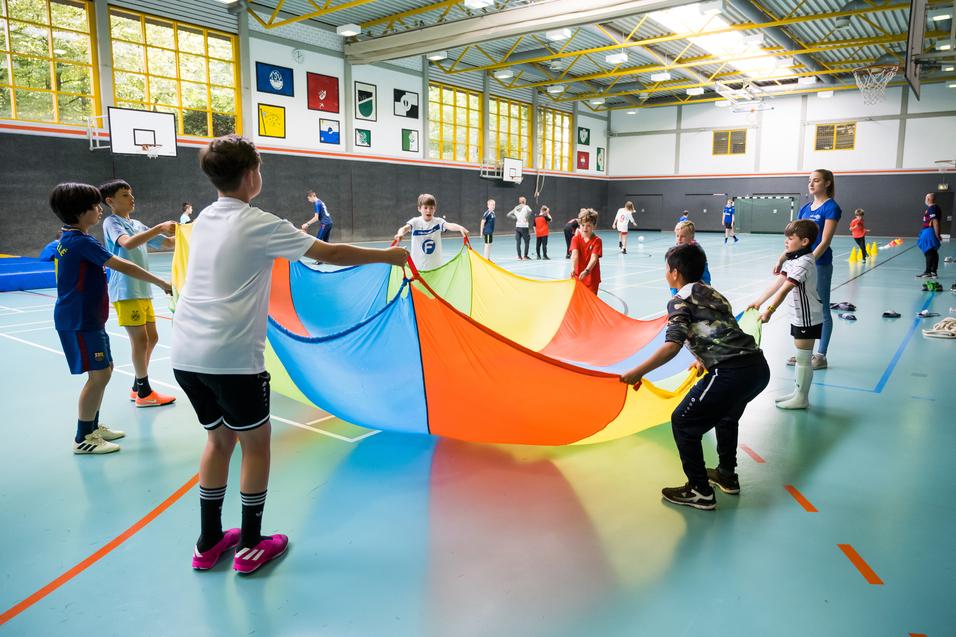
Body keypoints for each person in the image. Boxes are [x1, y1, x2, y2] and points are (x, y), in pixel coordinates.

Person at [172, 135, 408, 574]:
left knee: (218, 440)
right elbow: (330, 252)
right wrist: (389, 256)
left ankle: (208, 543)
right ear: (250, 176)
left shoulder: (204, 217)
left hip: (185, 351)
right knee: (256, 445)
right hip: (231, 358)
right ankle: (250, 545)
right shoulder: (257, 221)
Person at [620, 243, 769, 510]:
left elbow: (671, 346)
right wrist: (702, 359)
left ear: (675, 272)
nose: (665, 272)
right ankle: (726, 474)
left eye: (666, 268)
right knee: (726, 416)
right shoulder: (713, 293)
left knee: (683, 421)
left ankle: (699, 489)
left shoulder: (679, 300)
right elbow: (720, 330)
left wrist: (637, 371)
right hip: (757, 368)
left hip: (730, 371)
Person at [49, 182, 172, 455]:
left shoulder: (68, 239)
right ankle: (83, 437)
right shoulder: (81, 242)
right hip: (79, 319)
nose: (99, 210)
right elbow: (122, 263)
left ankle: (91, 426)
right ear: (80, 212)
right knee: (99, 376)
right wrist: (161, 281)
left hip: (88, 317)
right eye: (95, 206)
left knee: (103, 372)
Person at [100, 179, 178, 408]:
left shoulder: (138, 224)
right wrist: (159, 227)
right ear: (110, 201)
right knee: (141, 340)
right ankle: (144, 392)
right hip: (125, 290)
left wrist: (190, 231)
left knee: (152, 338)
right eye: (125, 195)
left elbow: (167, 244)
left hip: (142, 290)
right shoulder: (111, 222)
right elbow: (128, 244)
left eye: (131, 193)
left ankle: (137, 386)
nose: (131, 198)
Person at [749, 220, 823, 410]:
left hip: (808, 317)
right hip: (799, 315)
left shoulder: (805, 262)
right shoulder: (793, 258)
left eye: (790, 238)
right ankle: (798, 392)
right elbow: (778, 283)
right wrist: (759, 301)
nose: (786, 242)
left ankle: (802, 397)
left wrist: (770, 311)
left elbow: (785, 289)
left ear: (804, 241)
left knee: (803, 358)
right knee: (800, 357)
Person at [777, 169, 840, 370]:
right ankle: (804, 353)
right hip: (799, 264)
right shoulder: (804, 208)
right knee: (801, 308)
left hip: (819, 265)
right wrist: (782, 258)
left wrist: (809, 261)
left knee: (821, 308)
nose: (811, 184)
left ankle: (820, 355)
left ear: (827, 183)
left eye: (816, 180)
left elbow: (824, 241)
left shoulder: (831, 208)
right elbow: (794, 239)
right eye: (810, 181)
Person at [394, 194, 469, 271]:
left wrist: (460, 228)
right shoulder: (415, 222)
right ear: (419, 208)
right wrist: (400, 234)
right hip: (418, 268)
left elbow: (449, 225)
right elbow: (404, 228)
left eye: (431, 208)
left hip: (436, 267)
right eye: (425, 208)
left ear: (435, 209)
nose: (428, 210)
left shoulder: (438, 222)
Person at [671, 221, 711, 293]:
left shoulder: (698, 253)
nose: (679, 239)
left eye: (683, 236)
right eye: (677, 236)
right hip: (680, 292)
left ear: (692, 237)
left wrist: (705, 292)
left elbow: (705, 276)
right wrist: (675, 295)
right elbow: (674, 277)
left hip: (697, 291)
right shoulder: (675, 252)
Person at [569, 208, 602, 295]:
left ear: (594, 226)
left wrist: (587, 271)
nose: (585, 228)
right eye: (582, 225)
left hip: (592, 278)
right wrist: (573, 267)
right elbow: (574, 255)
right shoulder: (575, 239)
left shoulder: (597, 241)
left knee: (590, 304)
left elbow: (594, 258)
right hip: (578, 276)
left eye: (588, 225)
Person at [917, 193, 942, 279]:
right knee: (933, 252)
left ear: (928, 199)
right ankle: (933, 272)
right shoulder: (935, 208)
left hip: (929, 232)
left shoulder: (932, 208)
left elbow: (935, 221)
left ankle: (928, 271)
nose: (925, 200)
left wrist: (937, 233)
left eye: (925, 198)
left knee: (929, 251)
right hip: (929, 231)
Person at [507, 196, 534, 260]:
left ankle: (519, 256)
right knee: (527, 242)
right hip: (524, 227)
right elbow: (530, 211)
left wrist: (516, 218)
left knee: (518, 243)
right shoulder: (526, 207)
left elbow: (508, 215)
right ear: (524, 201)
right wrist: (526, 218)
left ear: (519, 201)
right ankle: (525, 256)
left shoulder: (516, 208)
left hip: (518, 227)